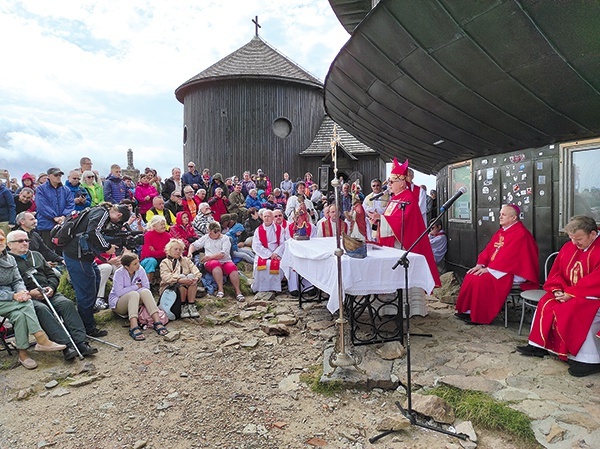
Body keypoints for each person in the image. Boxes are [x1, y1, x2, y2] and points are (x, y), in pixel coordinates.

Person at [517, 215, 600, 377]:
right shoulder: (569, 247)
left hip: (593, 295)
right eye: (572, 239)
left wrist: (572, 293)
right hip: (568, 292)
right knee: (547, 302)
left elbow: (597, 279)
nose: (575, 243)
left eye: (579, 239)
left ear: (592, 234)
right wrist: (557, 290)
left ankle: (589, 360)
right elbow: (557, 272)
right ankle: (539, 345)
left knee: (574, 309)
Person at [7, 230, 96, 360]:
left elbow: (51, 274)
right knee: (42, 309)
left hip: (48, 291)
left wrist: (51, 287)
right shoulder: (8, 261)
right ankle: (66, 346)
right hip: (28, 296)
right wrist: (29, 293)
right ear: (9, 244)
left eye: (27, 240)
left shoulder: (36, 255)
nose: (25, 243)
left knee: (67, 304)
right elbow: (9, 284)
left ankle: (81, 342)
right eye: (20, 241)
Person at [368, 158, 441, 317]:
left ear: (402, 182)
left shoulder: (408, 197)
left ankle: (408, 308)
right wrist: (378, 220)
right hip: (392, 245)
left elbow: (403, 221)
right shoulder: (394, 198)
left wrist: (382, 219)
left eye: (393, 181)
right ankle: (389, 306)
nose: (389, 185)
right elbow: (389, 218)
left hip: (404, 245)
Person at [455, 204, 539, 324]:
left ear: (514, 218)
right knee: (471, 275)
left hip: (515, 271)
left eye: (503, 215)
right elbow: (489, 249)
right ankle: (467, 311)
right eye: (500, 214)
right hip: (500, 269)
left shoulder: (521, 234)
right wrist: (481, 264)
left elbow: (510, 258)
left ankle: (480, 317)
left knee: (481, 280)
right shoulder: (502, 232)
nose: (500, 217)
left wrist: (489, 270)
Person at [62, 203, 132, 337]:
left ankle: (86, 318)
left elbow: (91, 235)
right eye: (119, 222)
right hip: (77, 256)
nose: (115, 225)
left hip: (83, 256)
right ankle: (86, 328)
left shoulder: (97, 212)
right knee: (86, 291)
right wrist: (107, 247)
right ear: (119, 215)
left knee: (95, 280)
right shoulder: (102, 213)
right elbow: (93, 232)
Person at [0, 229, 66, 369]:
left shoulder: (9, 258)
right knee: (26, 303)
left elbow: (17, 280)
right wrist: (13, 295)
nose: (0, 241)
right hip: (4, 298)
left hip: (12, 298)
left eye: (1, 238)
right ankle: (41, 338)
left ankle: (23, 354)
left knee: (19, 315)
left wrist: (21, 291)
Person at [109, 254, 168, 341]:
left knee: (146, 292)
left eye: (138, 262)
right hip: (119, 303)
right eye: (135, 264)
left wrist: (137, 288)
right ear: (127, 267)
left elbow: (146, 286)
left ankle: (157, 321)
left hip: (136, 300)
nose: (138, 265)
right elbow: (119, 292)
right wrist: (136, 287)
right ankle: (133, 326)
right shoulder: (119, 273)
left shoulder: (140, 270)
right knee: (133, 294)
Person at [188, 221, 245, 301]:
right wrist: (190, 252)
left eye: (213, 233)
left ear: (218, 232)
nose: (210, 235)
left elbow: (223, 253)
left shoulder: (225, 239)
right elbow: (194, 245)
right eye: (210, 233)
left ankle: (238, 292)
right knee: (215, 264)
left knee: (232, 267)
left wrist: (209, 257)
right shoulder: (206, 237)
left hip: (224, 260)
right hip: (211, 262)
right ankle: (220, 289)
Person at [34, 167, 74, 250]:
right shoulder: (41, 189)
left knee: (62, 250)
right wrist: (54, 217)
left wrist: (64, 216)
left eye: (60, 175)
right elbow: (42, 205)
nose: (58, 176)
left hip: (63, 225)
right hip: (47, 225)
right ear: (49, 176)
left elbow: (70, 204)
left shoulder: (66, 189)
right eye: (56, 175)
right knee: (48, 250)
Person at [161, 239, 201, 318]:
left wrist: (196, 277)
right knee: (182, 278)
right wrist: (179, 279)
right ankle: (183, 306)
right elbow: (165, 277)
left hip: (188, 283)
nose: (178, 251)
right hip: (171, 287)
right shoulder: (165, 262)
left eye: (180, 249)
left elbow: (195, 270)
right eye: (175, 249)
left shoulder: (186, 260)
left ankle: (191, 305)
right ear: (169, 250)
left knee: (191, 277)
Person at [251, 209, 285, 293]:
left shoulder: (280, 229)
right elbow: (256, 245)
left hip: (276, 253)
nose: (266, 218)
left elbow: (283, 243)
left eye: (268, 216)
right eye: (265, 216)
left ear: (273, 218)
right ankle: (261, 287)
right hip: (263, 254)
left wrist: (276, 253)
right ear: (262, 218)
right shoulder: (258, 230)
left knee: (276, 264)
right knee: (264, 264)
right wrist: (269, 254)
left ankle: (275, 287)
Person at [140, 215, 171, 285]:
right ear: (154, 226)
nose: (163, 226)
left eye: (164, 224)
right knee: (151, 261)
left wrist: (156, 251)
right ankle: (147, 284)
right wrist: (163, 251)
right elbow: (148, 253)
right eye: (161, 224)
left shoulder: (168, 236)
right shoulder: (147, 235)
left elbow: (170, 251)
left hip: (162, 259)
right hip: (147, 260)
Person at [94, 246, 121, 311]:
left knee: (118, 267)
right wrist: (108, 262)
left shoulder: (110, 252)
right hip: (90, 268)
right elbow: (92, 260)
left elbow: (113, 259)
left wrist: (117, 261)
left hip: (105, 264)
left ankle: (119, 294)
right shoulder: (96, 247)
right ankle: (98, 298)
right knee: (107, 267)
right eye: (113, 248)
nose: (115, 250)